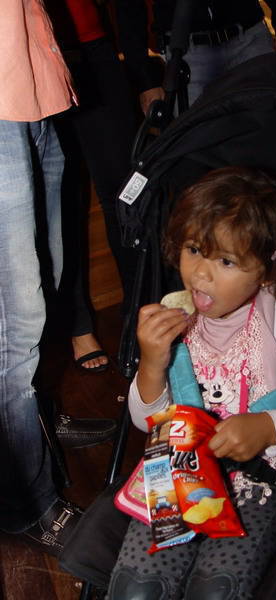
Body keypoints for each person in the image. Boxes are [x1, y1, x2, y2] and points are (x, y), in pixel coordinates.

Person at [107, 166, 276, 599]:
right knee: (136, 588)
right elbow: (147, 423)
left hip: (257, 486)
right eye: (194, 250)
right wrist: (152, 363)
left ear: (268, 270)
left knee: (215, 591)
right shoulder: (173, 321)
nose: (201, 273)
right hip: (175, 477)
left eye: (226, 261)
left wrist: (269, 428)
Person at [0, 0, 115, 556]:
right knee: (13, 327)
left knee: (46, 283)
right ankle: (26, 503)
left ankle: (36, 424)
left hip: (34, 87)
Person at [46, 0, 138, 371]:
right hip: (45, 55)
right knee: (64, 203)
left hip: (95, 49)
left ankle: (139, 308)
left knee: (127, 195)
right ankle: (78, 325)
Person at [114, 0, 276, 113]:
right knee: (199, 146)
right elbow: (128, 8)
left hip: (249, 39)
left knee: (274, 127)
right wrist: (146, 81)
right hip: (188, 54)